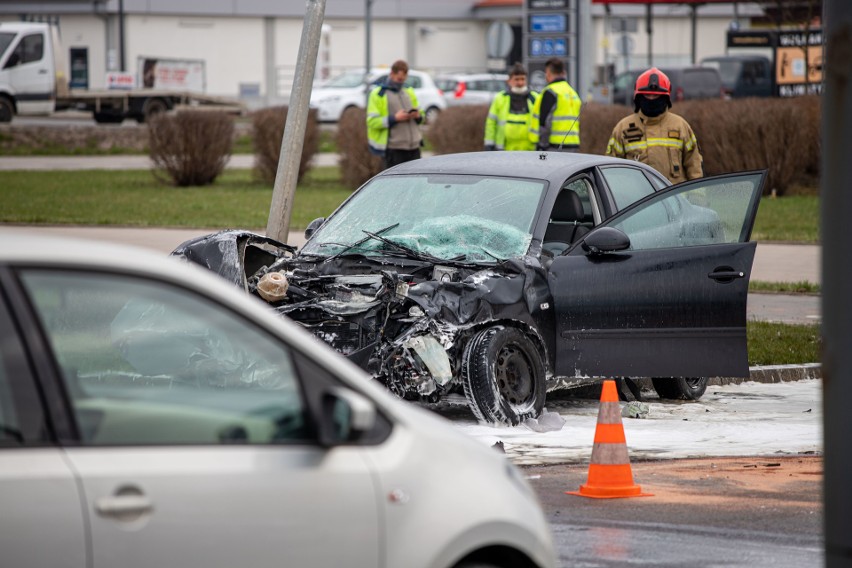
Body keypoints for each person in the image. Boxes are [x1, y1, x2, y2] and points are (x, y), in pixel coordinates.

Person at [606, 67, 703, 184]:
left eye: (656, 96)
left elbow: (694, 165)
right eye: (647, 96)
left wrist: (696, 198)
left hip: (675, 199)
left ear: (666, 98)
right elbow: (611, 170)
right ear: (638, 98)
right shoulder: (623, 128)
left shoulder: (680, 126)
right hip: (638, 200)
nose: (651, 99)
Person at [366, 59, 423, 169]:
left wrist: (417, 116)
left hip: (414, 148)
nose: (401, 82)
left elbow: (422, 116)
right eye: (399, 79)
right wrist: (395, 118)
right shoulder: (378, 94)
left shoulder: (409, 91)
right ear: (392, 74)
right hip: (394, 149)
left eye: (404, 79)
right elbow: (372, 121)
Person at [529, 57, 582, 152]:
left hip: (555, 147)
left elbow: (545, 123)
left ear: (548, 73)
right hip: (574, 145)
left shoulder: (550, 92)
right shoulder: (573, 93)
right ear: (563, 73)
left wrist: (542, 146)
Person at [483, 63, 537, 151]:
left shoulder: (535, 98)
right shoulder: (500, 98)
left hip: (530, 149)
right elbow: (491, 123)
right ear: (509, 81)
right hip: (505, 149)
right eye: (516, 79)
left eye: (523, 79)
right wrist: (489, 144)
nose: (520, 83)